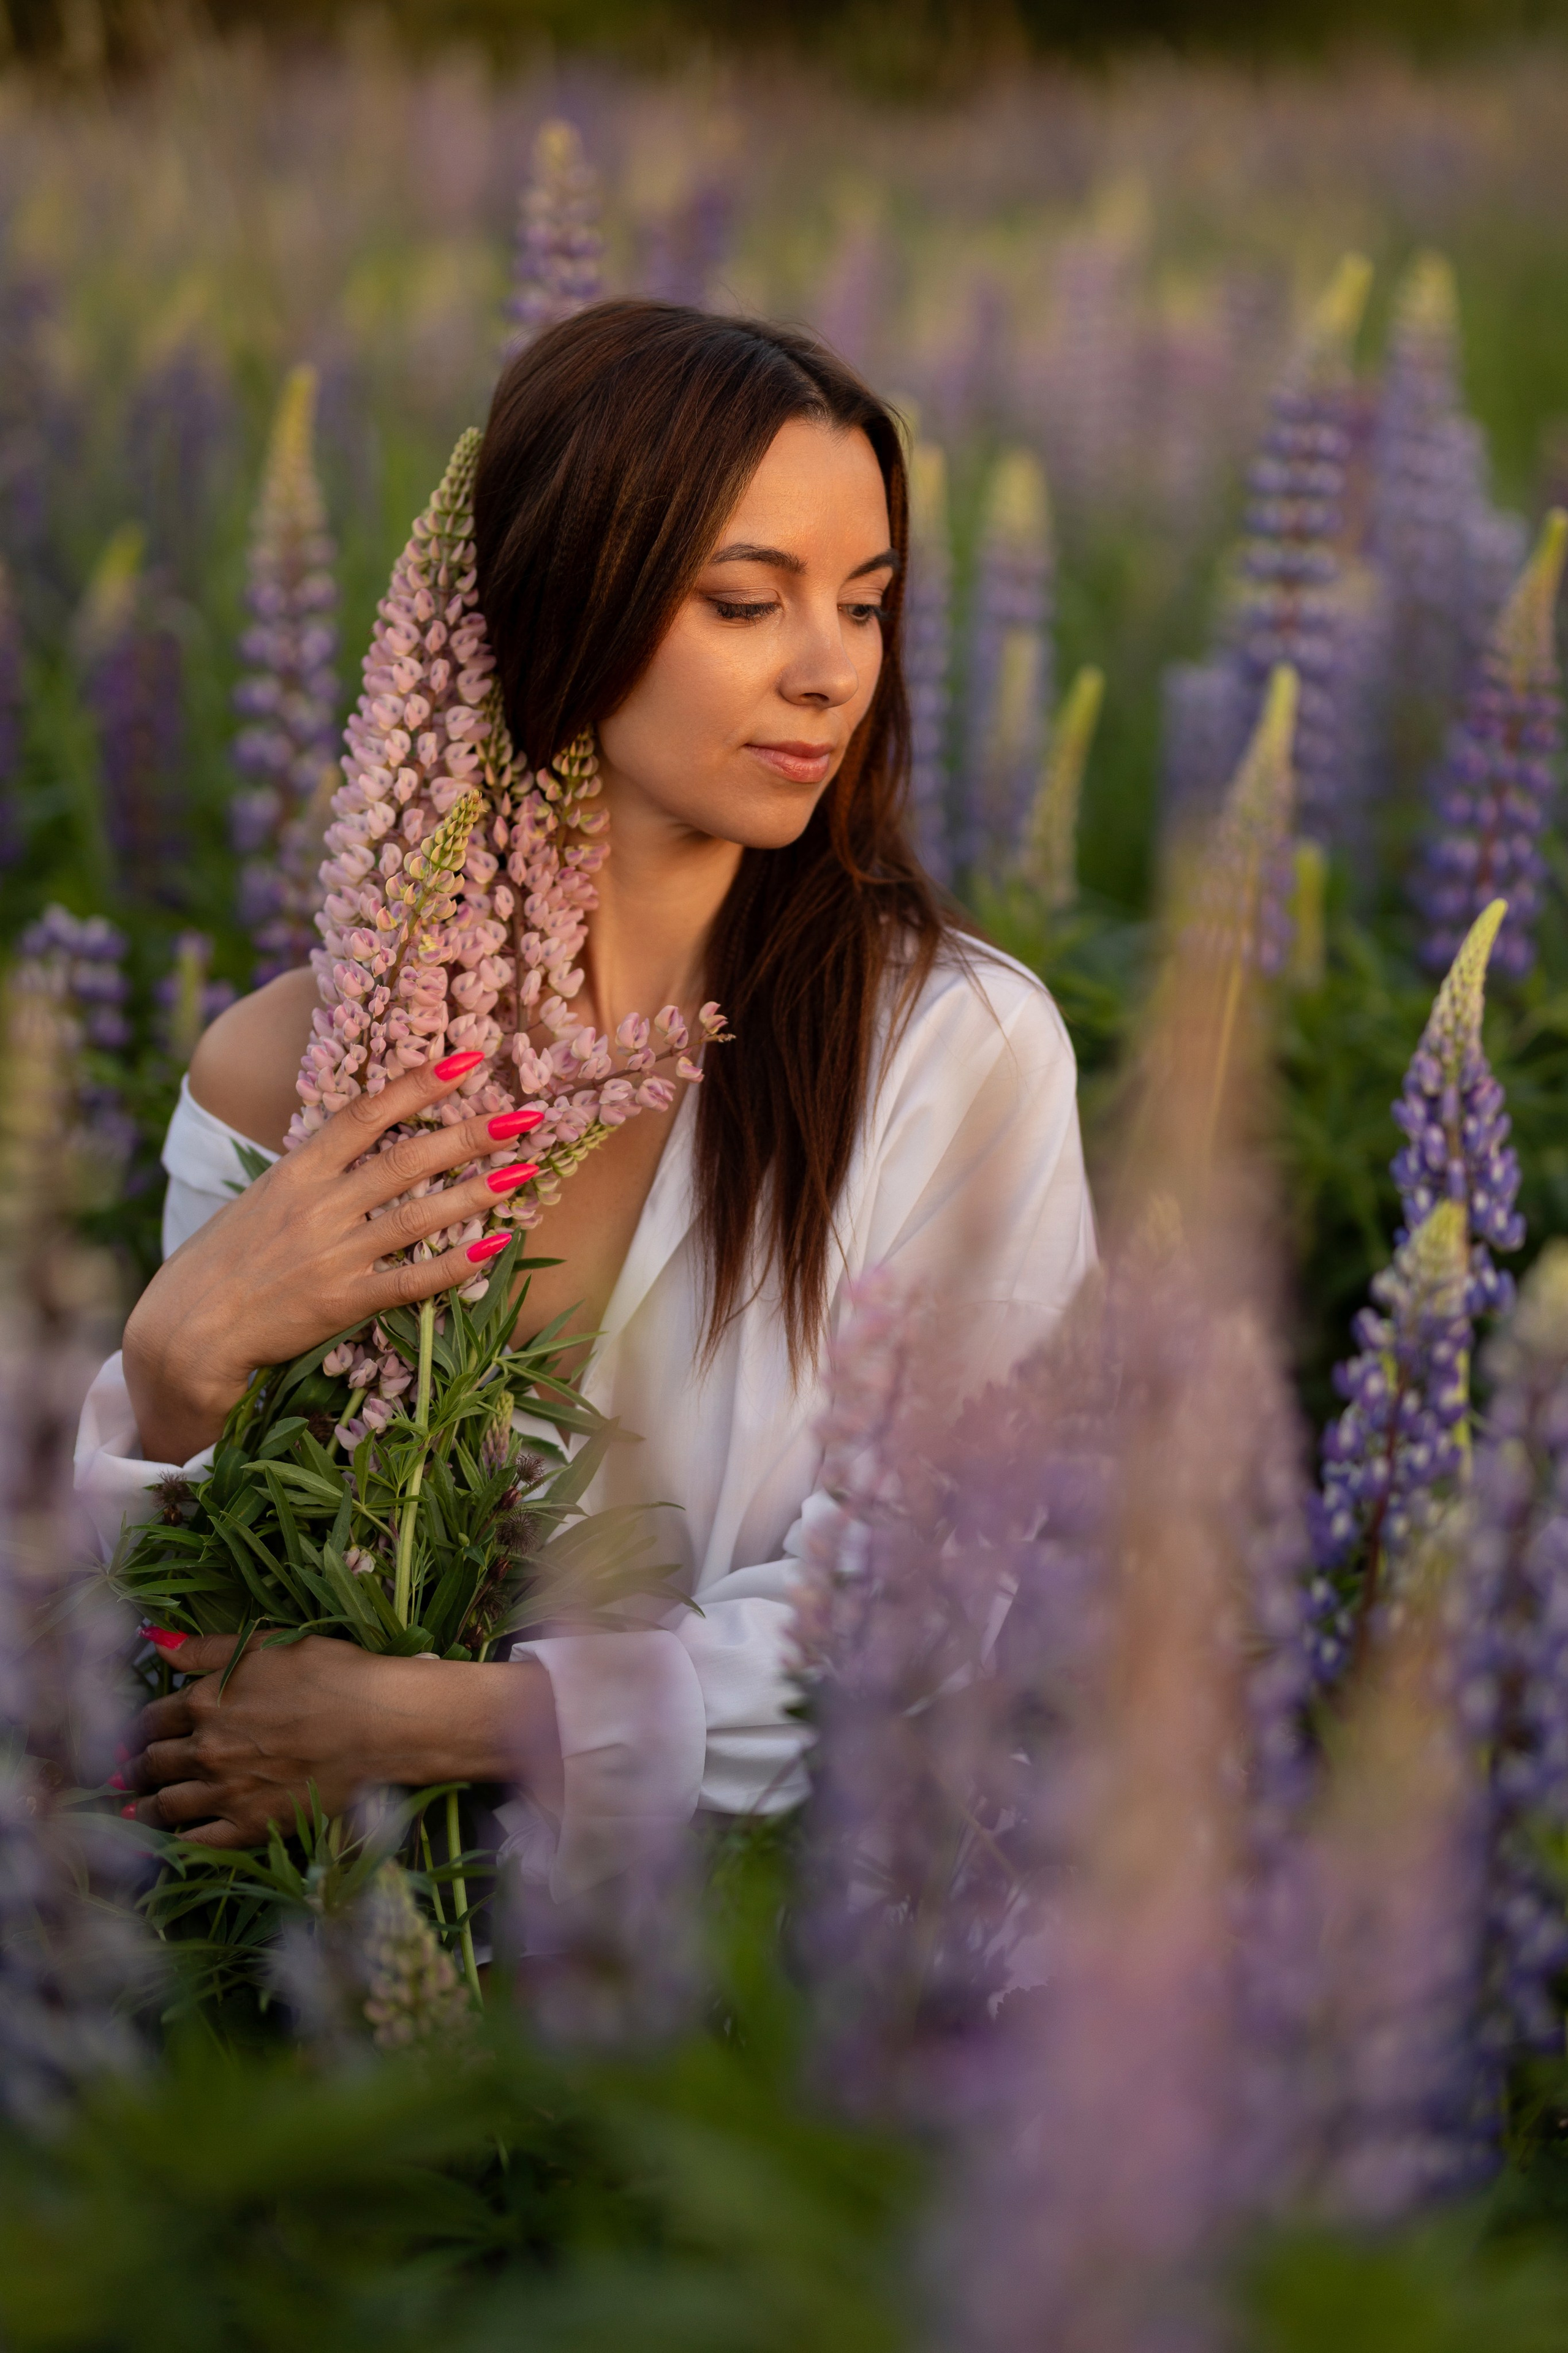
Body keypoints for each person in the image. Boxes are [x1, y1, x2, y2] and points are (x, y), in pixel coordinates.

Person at [75, 303, 1095, 1902]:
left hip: (785, 1986)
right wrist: (169, 1376)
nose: (831, 670)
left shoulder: (960, 1051)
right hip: (346, 1955)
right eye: (749, 601)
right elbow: (157, 1661)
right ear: (565, 609)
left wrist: (434, 1720)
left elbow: (912, 1619)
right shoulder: (284, 1066)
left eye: (870, 603)